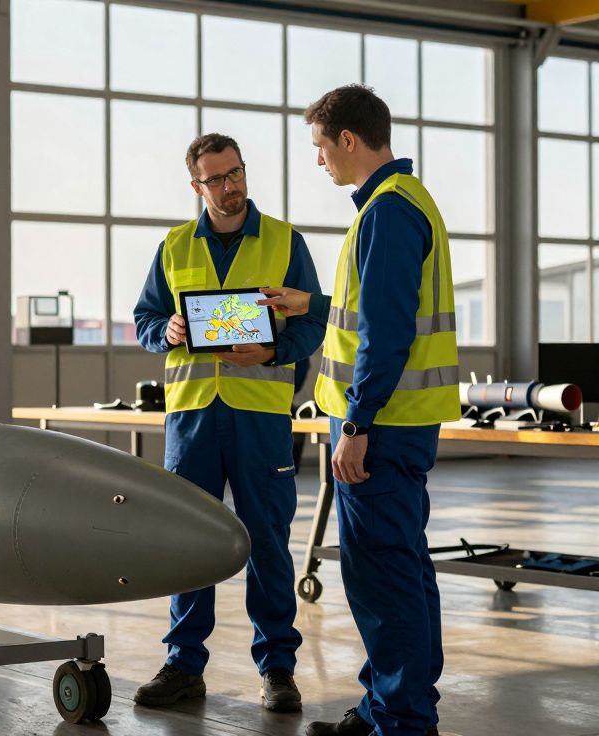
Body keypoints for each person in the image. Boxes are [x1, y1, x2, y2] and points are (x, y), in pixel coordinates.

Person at [268, 85, 458, 736]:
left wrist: (356, 424)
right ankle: (390, 706)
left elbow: (388, 334)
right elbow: (366, 317)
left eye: (321, 147)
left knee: (382, 577)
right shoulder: (393, 203)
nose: (318, 161)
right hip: (391, 422)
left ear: (348, 140)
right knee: (398, 568)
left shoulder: (388, 212)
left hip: (381, 428)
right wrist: (312, 307)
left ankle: (402, 720)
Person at [133, 133, 325, 713]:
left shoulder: (285, 241)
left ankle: (279, 669)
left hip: (260, 418)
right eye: (216, 179)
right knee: (188, 541)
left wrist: (273, 354)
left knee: (267, 539)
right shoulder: (172, 246)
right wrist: (164, 331)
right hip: (192, 419)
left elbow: (314, 323)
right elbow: (144, 319)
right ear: (197, 185)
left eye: (236, 173)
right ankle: (184, 665)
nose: (231, 186)